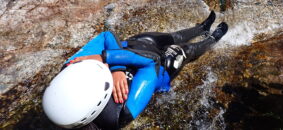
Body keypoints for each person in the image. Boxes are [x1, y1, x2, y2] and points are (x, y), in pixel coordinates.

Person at [42, 11, 228, 129]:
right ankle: (211, 40)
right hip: (158, 67)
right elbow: (152, 61)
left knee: (169, 37)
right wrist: (109, 59)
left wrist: (116, 69)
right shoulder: (121, 113)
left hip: (135, 45)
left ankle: (201, 27)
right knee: (183, 52)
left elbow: (107, 35)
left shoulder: (68, 70)